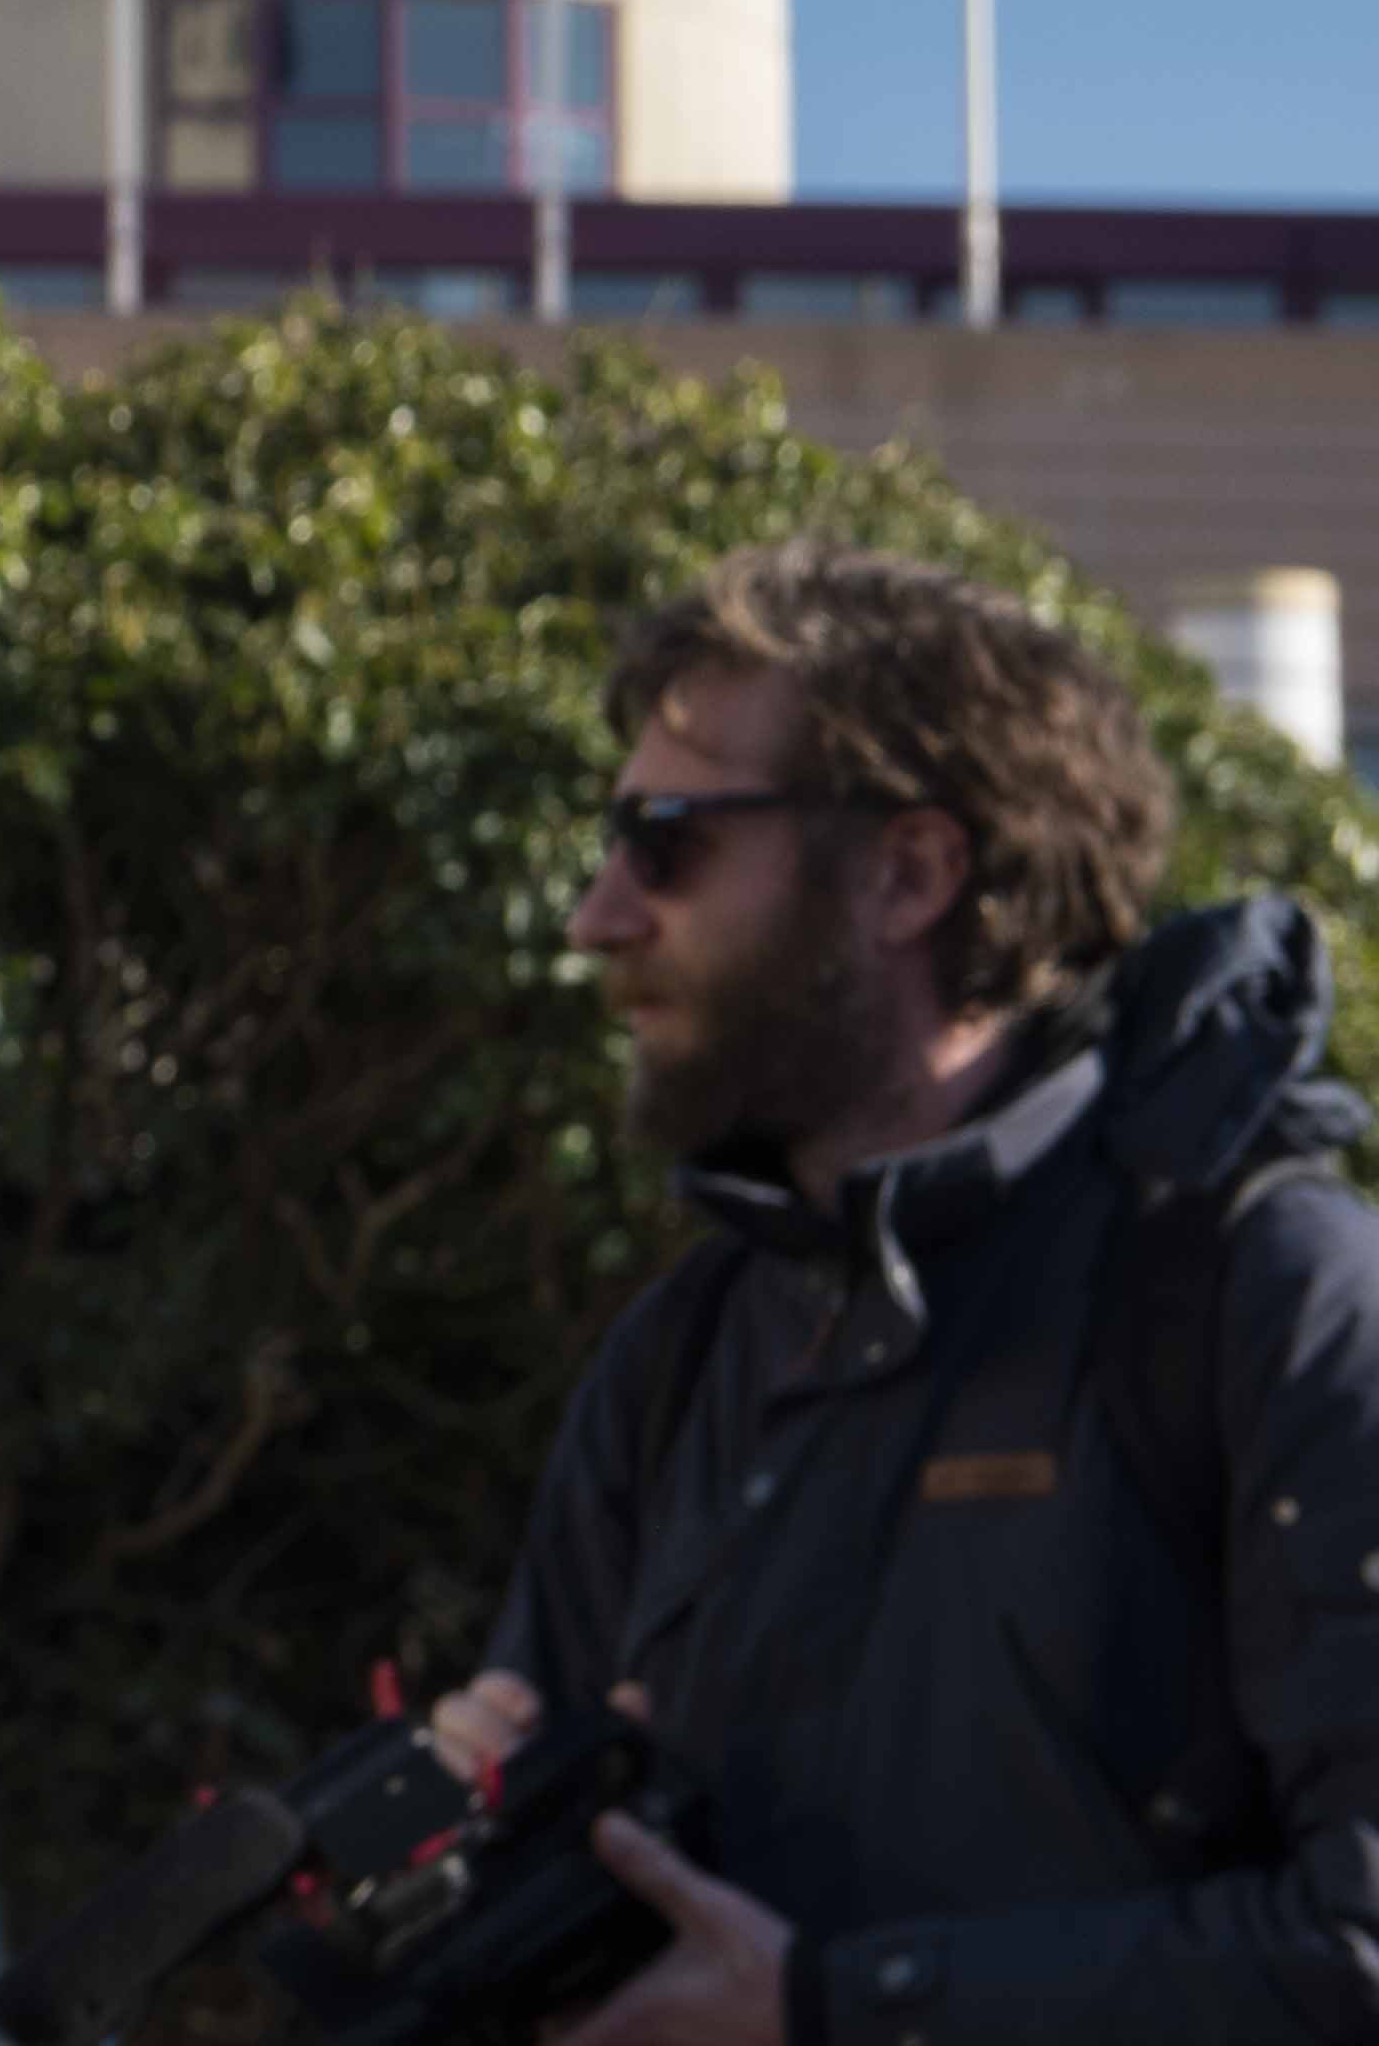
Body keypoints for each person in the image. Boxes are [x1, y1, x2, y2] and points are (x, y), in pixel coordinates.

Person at [436, 542, 1379, 2046]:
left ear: (911, 873)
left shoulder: (1265, 1295)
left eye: (666, 840)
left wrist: (839, 2009)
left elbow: (1364, 1943)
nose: (598, 915)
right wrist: (468, 1858)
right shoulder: (687, 1350)